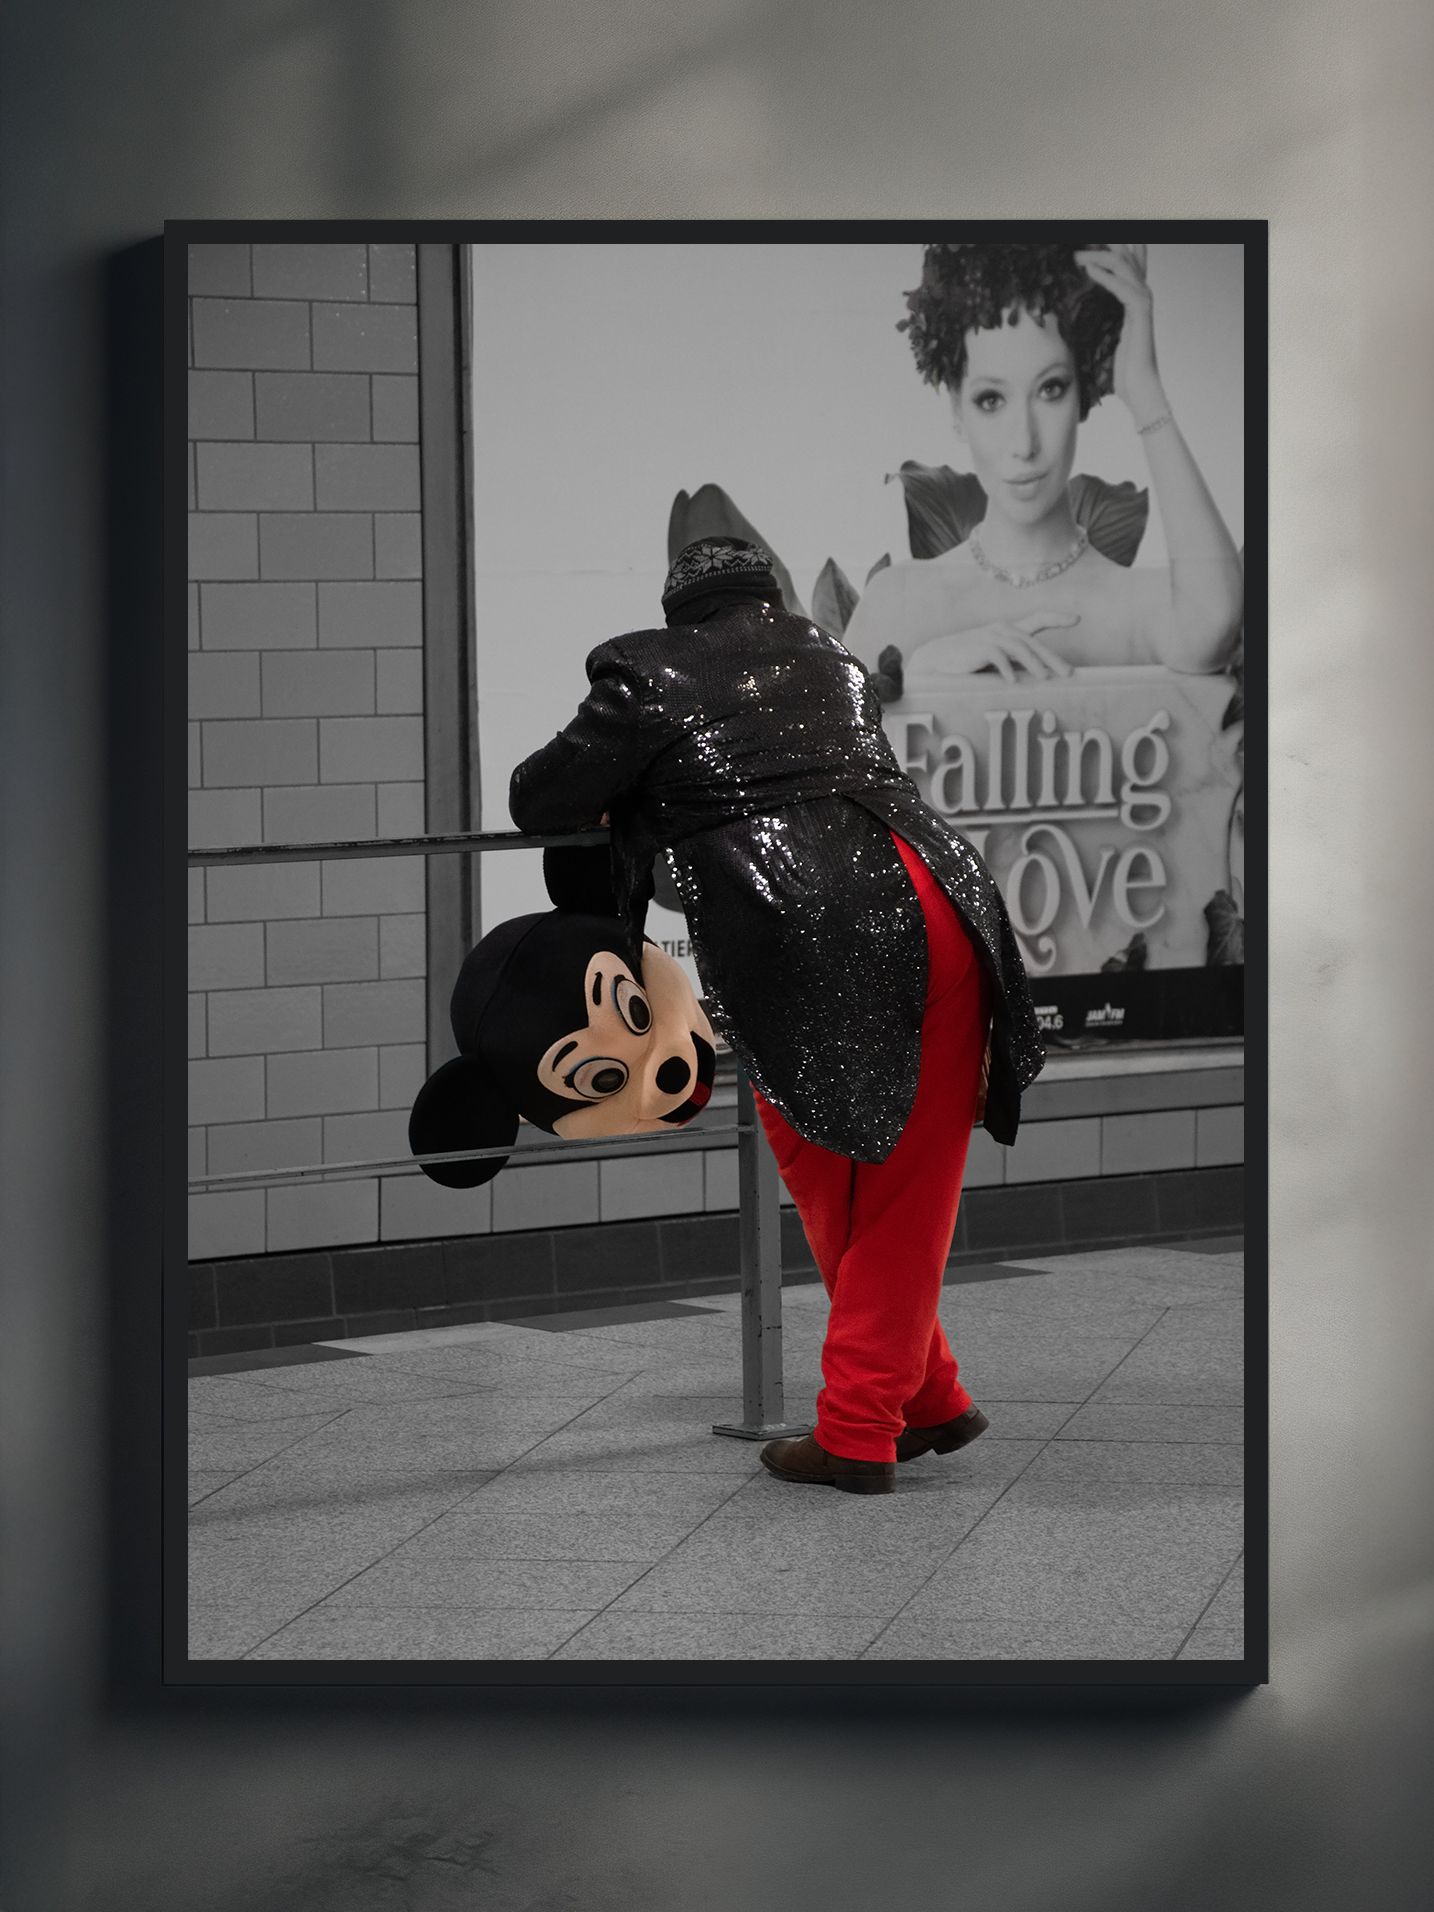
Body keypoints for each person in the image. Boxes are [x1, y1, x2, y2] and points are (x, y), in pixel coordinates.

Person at [509, 535, 1044, 1496]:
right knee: (899, 1182)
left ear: (680, 612)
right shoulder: (832, 656)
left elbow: (538, 795)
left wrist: (635, 797)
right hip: (943, 898)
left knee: (838, 1182)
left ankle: (857, 1432)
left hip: (820, 927)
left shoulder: (647, 668)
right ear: (771, 597)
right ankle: (927, 1398)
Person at [843, 243, 1243, 683]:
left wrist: (1144, 392)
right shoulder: (895, 602)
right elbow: (829, 726)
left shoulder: (1136, 606)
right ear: (957, 409)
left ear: (1082, 395)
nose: (1025, 443)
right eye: (991, 399)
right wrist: (921, 676)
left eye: (1051, 389)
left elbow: (1216, 625)